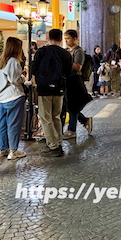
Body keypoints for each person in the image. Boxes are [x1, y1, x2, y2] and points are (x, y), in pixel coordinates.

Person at [31, 29, 72, 157]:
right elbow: (68, 72)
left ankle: (53, 146)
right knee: (56, 117)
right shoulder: (65, 54)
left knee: (45, 118)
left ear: (48, 38)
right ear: (60, 39)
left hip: (44, 89)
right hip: (59, 88)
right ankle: (58, 142)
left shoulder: (41, 52)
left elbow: (33, 69)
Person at [0, 37, 27, 159]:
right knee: (13, 124)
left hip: (1, 98)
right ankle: (13, 150)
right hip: (13, 96)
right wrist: (23, 78)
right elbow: (15, 79)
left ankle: (1, 149)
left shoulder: (0, 61)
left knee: (1, 125)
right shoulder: (13, 61)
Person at [62, 30, 93, 139]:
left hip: (75, 81)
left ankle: (72, 130)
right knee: (68, 106)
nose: (66, 41)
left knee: (72, 106)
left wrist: (65, 62)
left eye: (68, 38)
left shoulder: (78, 51)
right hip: (68, 81)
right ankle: (84, 120)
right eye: (65, 39)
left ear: (75, 39)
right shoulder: (67, 51)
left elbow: (78, 66)